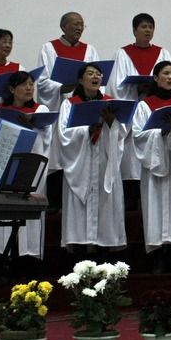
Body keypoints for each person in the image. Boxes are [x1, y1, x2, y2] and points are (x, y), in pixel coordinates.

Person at [0, 71, 51, 260]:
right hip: (4, 164)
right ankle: (1, 255)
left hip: (27, 165)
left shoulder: (40, 110)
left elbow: (46, 137)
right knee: (3, 209)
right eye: (24, 84)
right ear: (12, 89)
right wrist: (11, 127)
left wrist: (31, 126)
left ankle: (27, 255)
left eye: (31, 84)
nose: (29, 88)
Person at [132, 61, 171, 273]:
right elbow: (138, 135)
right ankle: (158, 257)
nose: (170, 77)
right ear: (156, 78)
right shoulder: (145, 105)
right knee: (155, 209)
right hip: (155, 166)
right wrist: (162, 131)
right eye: (165, 74)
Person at [57, 63, 127, 253]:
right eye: (90, 73)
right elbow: (64, 135)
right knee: (80, 210)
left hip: (104, 161)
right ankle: (80, 255)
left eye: (98, 74)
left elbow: (121, 133)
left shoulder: (110, 102)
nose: (95, 76)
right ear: (81, 80)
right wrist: (86, 130)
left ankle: (104, 255)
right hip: (81, 164)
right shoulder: (70, 104)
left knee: (105, 208)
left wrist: (111, 123)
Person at [107, 13, 171, 211]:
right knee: (130, 157)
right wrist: (136, 90)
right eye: (143, 27)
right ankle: (132, 198)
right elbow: (116, 87)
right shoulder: (122, 54)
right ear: (134, 30)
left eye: (150, 27)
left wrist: (151, 89)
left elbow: (168, 81)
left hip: (152, 108)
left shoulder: (162, 53)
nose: (147, 30)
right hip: (133, 112)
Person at [35, 13, 99, 210]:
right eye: (75, 24)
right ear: (63, 27)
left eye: (82, 25)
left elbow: (98, 79)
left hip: (81, 107)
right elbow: (42, 82)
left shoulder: (89, 50)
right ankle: (55, 205)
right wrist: (61, 87)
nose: (79, 28)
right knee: (58, 155)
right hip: (60, 107)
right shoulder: (49, 48)